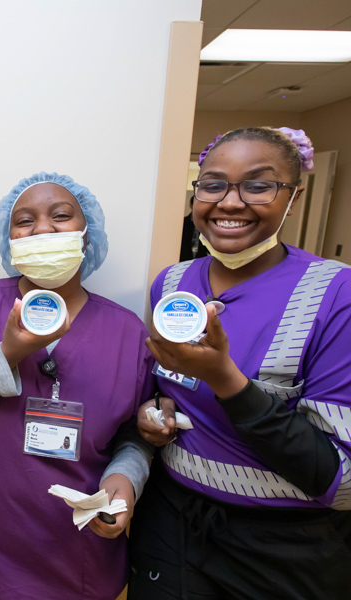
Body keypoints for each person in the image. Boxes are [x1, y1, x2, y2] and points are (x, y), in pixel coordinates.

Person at [0, 172, 155, 600]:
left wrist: (125, 479)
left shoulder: (126, 332)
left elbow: (136, 435)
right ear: (9, 240)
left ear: (86, 236)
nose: (43, 229)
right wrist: (5, 357)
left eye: (61, 216)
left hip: (81, 555)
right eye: (24, 221)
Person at [130, 127, 351, 600]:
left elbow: (343, 481)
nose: (229, 202)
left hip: (284, 545)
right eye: (212, 184)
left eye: (257, 185)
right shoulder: (172, 284)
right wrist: (153, 414)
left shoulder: (336, 295)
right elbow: (167, 387)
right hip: (171, 521)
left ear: (293, 197)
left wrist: (226, 380)